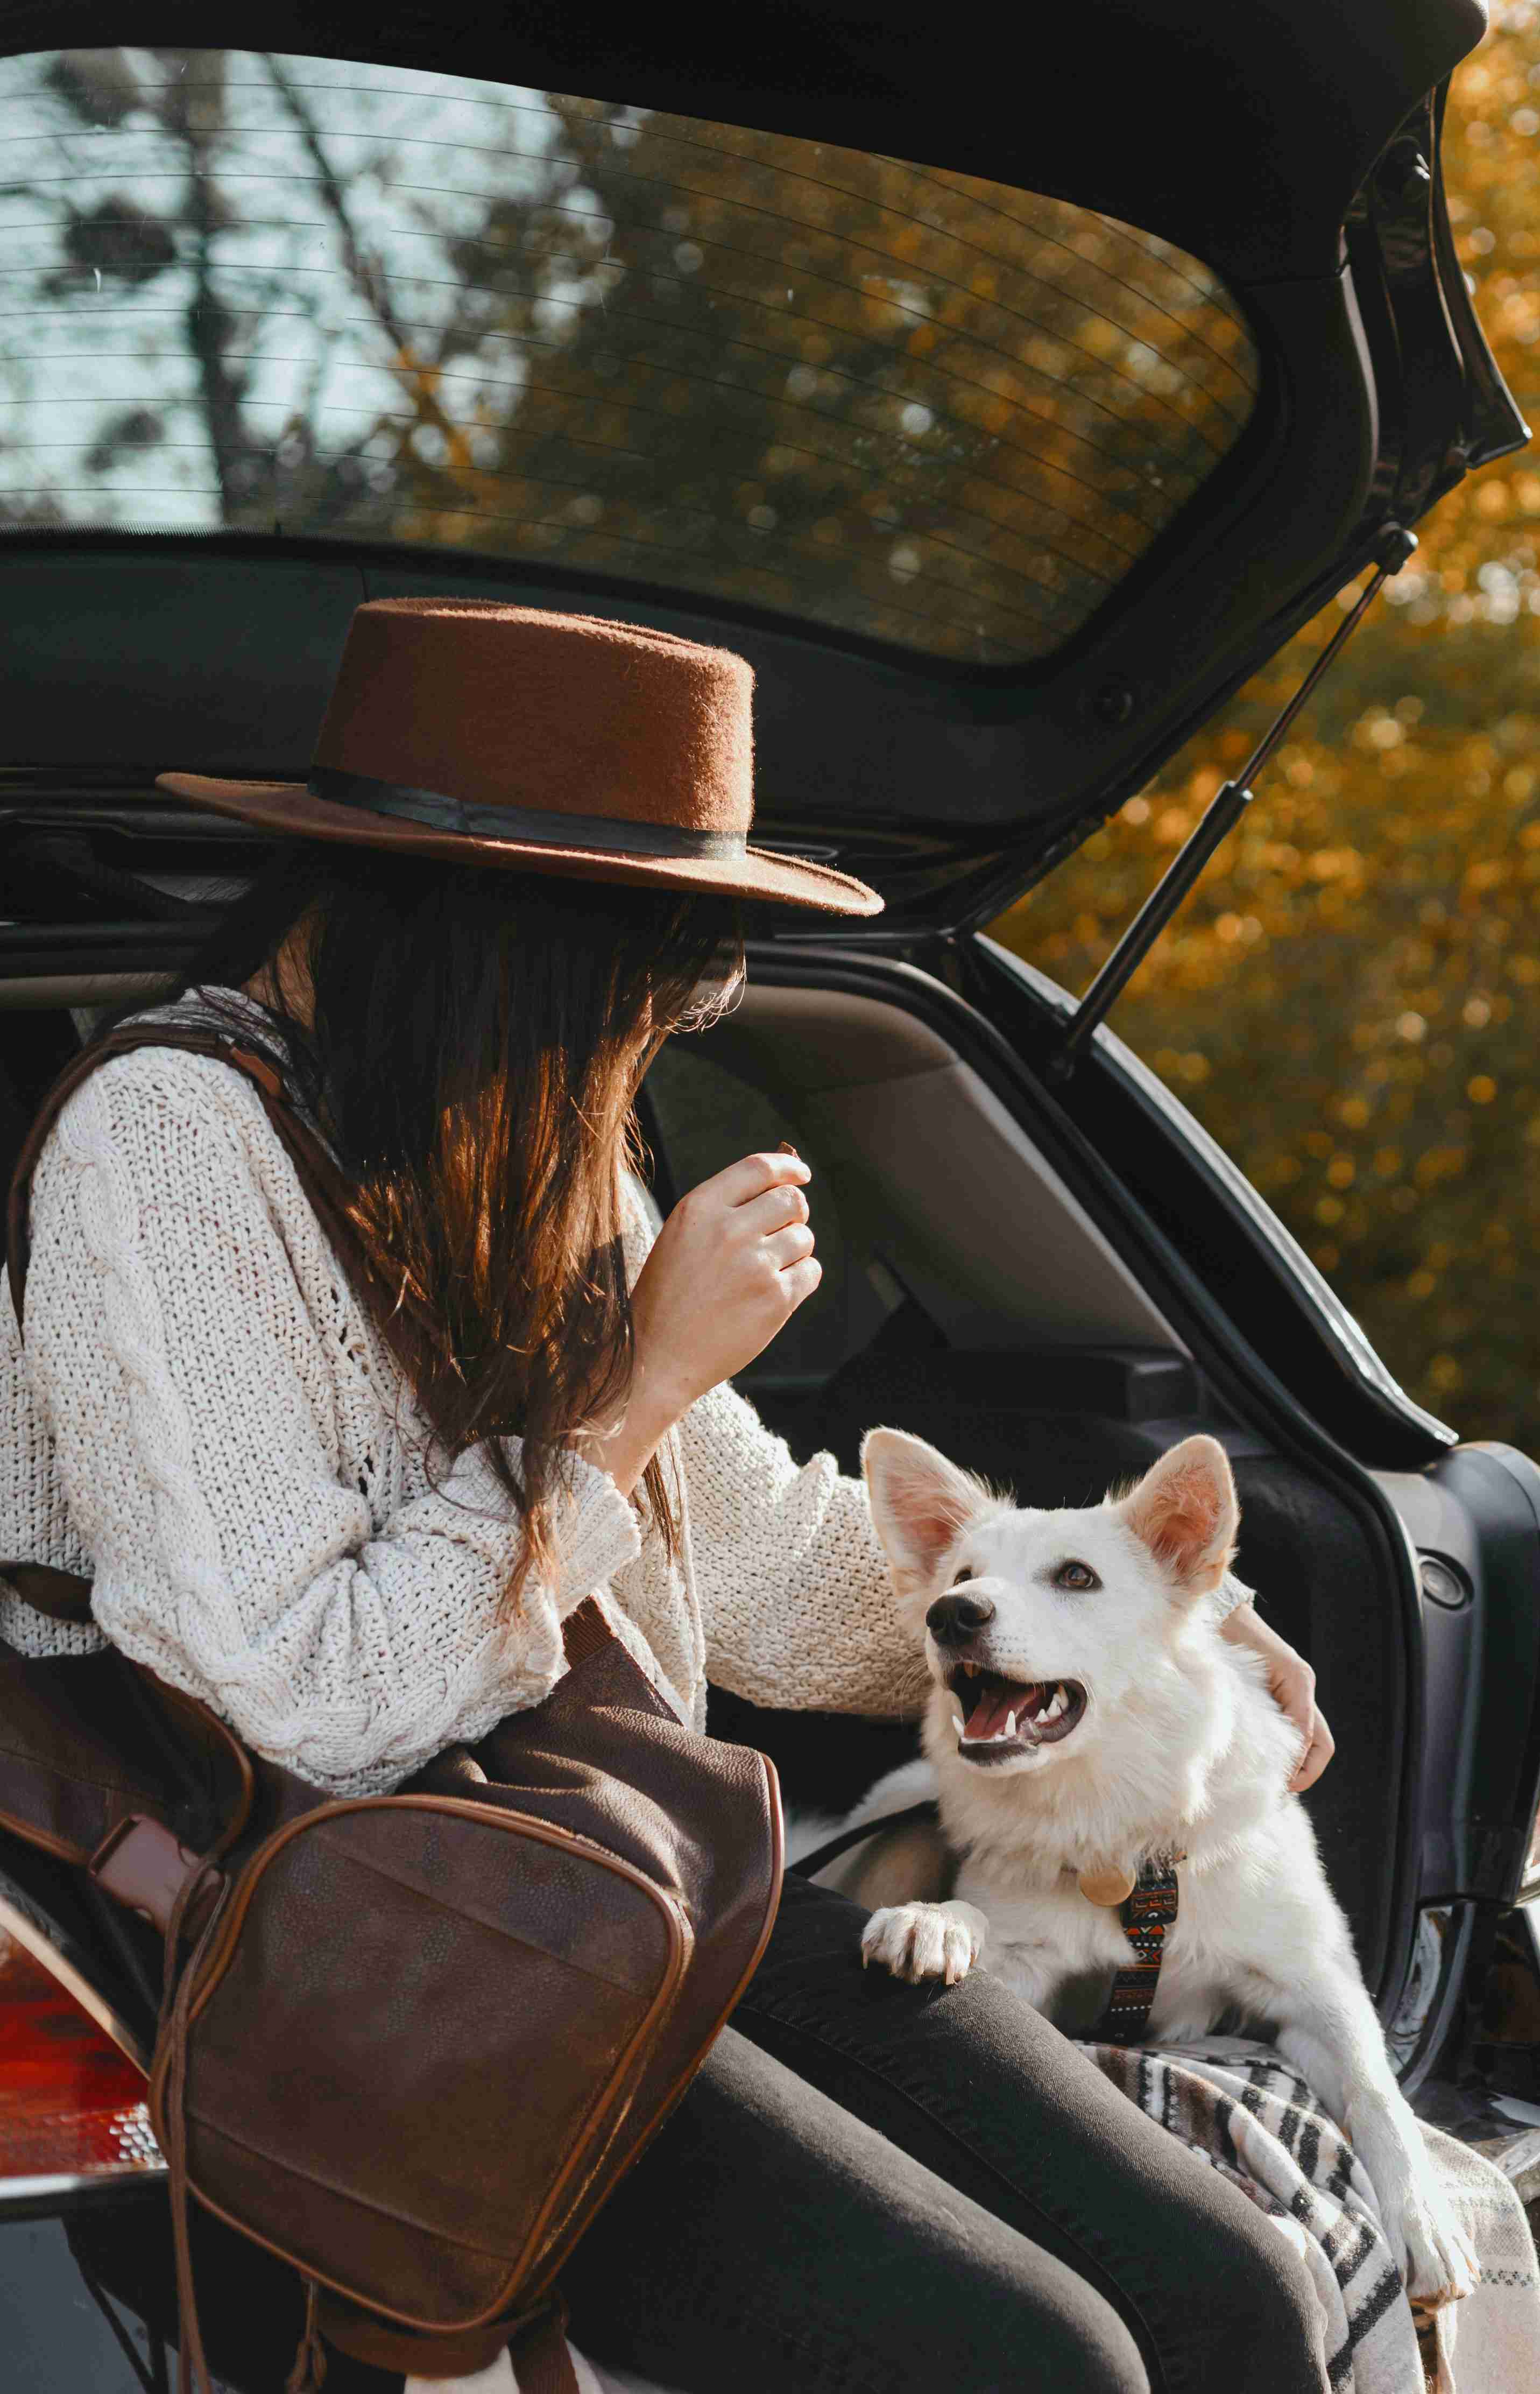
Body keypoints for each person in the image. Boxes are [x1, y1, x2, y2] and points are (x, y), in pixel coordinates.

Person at [0, 598, 1336, 2394]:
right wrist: (630, 1393)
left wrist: (1163, 1626)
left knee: (1231, 2296)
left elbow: (783, 1581)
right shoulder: (163, 1150)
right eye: (659, 976)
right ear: (503, 930)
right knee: (1045, 2368)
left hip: (634, 1864)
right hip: (377, 1951)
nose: (662, 1031)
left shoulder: (521, 1151)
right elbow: (317, 1696)